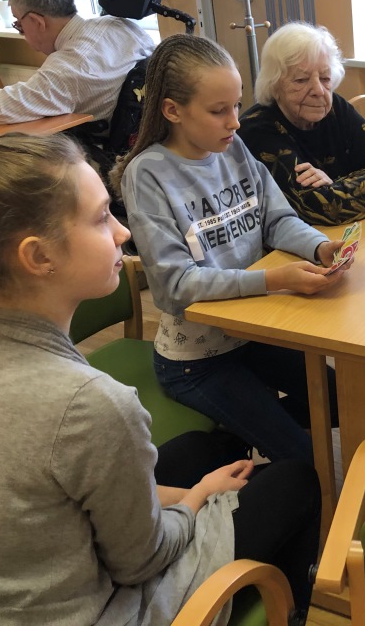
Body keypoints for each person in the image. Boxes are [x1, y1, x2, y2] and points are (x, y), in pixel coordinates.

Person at [0, 134, 320, 625]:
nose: (122, 232)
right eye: (100, 218)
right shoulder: (89, 403)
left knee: (200, 449)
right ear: (38, 257)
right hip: (103, 611)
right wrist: (197, 498)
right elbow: (141, 562)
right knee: (296, 479)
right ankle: (286, 610)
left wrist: (188, 492)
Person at [111, 34, 345, 465]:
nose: (235, 122)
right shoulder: (148, 174)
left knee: (342, 400)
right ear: (172, 111)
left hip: (253, 334)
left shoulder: (231, 147)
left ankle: (238, 435)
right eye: (219, 110)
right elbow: (175, 286)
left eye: (237, 105)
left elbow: (276, 219)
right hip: (197, 360)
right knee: (306, 461)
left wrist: (319, 247)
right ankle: (229, 444)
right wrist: (272, 280)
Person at [240, 22, 365, 225]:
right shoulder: (257, 130)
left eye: (325, 78)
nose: (318, 90)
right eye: (301, 80)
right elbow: (320, 209)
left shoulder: (334, 107)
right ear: (274, 84)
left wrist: (333, 186)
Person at [0, 0, 156, 125]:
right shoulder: (120, 25)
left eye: (19, 24)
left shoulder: (67, 67)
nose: (21, 32)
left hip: (98, 151)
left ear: (37, 21)